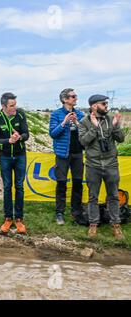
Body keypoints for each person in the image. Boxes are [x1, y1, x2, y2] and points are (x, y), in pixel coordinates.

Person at [78, 95, 126, 240]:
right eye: (103, 104)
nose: (106, 105)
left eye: (106, 103)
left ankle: (116, 225)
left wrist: (116, 126)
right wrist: (93, 127)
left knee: (113, 196)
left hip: (111, 164)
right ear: (94, 106)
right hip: (93, 165)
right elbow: (83, 142)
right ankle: (93, 224)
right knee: (93, 196)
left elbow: (121, 138)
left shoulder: (110, 119)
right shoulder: (84, 122)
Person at [0, 92, 29, 235]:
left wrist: (19, 137)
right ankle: (8, 218)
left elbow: (27, 134)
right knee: (7, 187)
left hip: (20, 155)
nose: (14, 108)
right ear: (3, 106)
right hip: (5, 157)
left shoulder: (20, 114)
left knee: (19, 186)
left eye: (15, 105)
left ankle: (19, 218)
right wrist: (8, 140)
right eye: (11, 106)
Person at [49, 89, 85, 225]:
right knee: (61, 183)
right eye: (73, 96)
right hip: (62, 155)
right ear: (65, 99)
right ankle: (59, 213)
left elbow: (86, 133)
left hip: (77, 154)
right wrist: (64, 122)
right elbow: (53, 133)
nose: (76, 98)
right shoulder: (56, 114)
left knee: (77, 184)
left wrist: (76, 123)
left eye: (76, 96)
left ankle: (76, 212)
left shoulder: (80, 114)